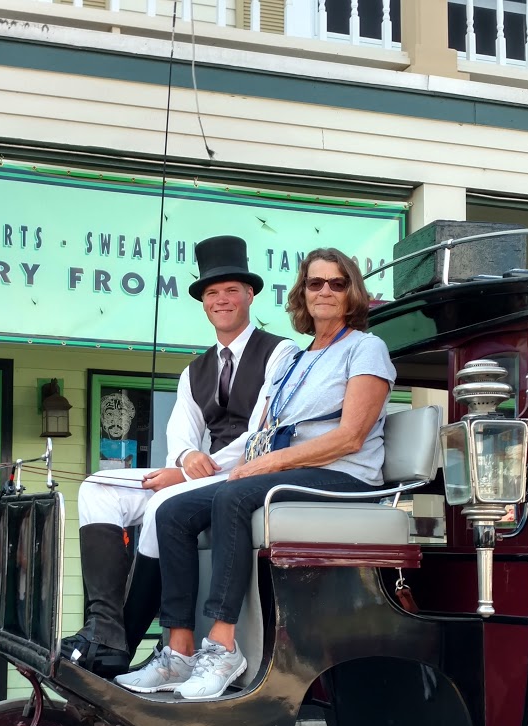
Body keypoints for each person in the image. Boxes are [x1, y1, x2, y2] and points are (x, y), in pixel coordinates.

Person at [132, 248, 396, 700]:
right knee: (171, 513)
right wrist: (231, 464)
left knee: (232, 498)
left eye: (336, 283)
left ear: (351, 292)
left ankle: (223, 647)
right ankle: (178, 649)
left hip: (345, 476)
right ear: (303, 293)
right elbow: (264, 431)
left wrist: (270, 463)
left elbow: (350, 437)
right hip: (293, 471)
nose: (325, 291)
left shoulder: (365, 348)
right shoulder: (297, 359)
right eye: (315, 283)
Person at [60, 235, 298, 675]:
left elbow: (263, 434)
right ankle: (105, 628)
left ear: (250, 294)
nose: (221, 300)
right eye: (212, 292)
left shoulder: (280, 352)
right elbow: (182, 433)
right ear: (203, 303)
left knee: (162, 505)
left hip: (247, 474)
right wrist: (186, 457)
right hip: (203, 474)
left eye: (231, 290)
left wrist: (187, 475)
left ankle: (129, 643)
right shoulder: (195, 371)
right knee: (98, 487)